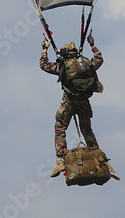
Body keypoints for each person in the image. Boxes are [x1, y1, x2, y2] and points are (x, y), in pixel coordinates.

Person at [40, 33, 103, 178]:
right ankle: (98, 156)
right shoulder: (87, 64)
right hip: (84, 103)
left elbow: (43, 65)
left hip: (69, 103)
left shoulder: (63, 66)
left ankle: (60, 160)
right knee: (87, 130)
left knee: (60, 128)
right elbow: (99, 59)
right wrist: (92, 45)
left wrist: (45, 49)